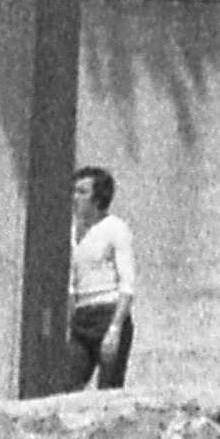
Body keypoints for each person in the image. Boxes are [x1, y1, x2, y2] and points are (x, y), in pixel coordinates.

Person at [65, 166, 138, 392]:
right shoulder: (72, 232)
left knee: (108, 390)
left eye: (82, 192)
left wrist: (115, 328)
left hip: (108, 313)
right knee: (67, 386)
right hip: (82, 317)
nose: (75, 197)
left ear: (97, 198)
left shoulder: (116, 228)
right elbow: (71, 284)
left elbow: (127, 285)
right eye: (74, 191)